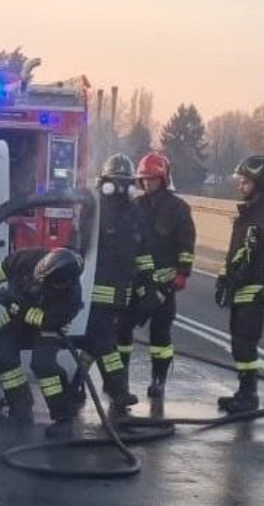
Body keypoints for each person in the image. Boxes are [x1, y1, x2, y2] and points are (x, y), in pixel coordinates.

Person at [0, 247, 85, 439]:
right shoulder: (25, 258)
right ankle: (20, 410)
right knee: (3, 358)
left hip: (47, 326)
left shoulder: (70, 297)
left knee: (44, 365)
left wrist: (15, 306)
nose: (37, 282)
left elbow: (48, 322)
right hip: (16, 320)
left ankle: (63, 418)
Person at [70, 153, 151, 415]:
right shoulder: (95, 208)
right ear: (104, 182)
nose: (120, 188)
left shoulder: (136, 214)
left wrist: (146, 285)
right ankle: (118, 392)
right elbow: (80, 246)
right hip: (96, 289)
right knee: (105, 342)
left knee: (94, 343)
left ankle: (74, 386)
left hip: (122, 293)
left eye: (125, 182)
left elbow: (142, 252)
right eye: (116, 182)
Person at [215, 155, 264, 413]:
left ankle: (250, 396)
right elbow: (233, 253)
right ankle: (243, 391)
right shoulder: (245, 216)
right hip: (239, 290)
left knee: (245, 343)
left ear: (259, 183)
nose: (241, 185)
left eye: (246, 181)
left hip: (256, 292)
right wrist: (222, 279)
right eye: (241, 181)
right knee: (237, 343)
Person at [117, 151, 196, 398]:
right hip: (137, 282)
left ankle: (158, 381)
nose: (147, 183)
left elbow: (186, 244)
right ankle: (120, 381)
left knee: (160, 336)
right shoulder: (135, 205)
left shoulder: (178, 208)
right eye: (144, 179)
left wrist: (183, 273)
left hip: (164, 285)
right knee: (123, 331)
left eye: (152, 178)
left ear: (163, 179)